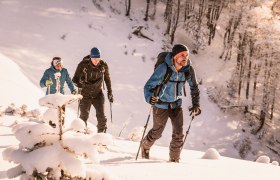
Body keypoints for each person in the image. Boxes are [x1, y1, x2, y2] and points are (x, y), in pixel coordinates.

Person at [142, 44, 201, 162]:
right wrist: (150, 98)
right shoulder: (164, 68)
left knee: (179, 135)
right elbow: (148, 86)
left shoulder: (188, 69)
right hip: (160, 104)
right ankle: (145, 146)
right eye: (182, 55)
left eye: (187, 55)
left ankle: (174, 161)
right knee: (157, 133)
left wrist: (196, 104)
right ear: (174, 57)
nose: (185, 58)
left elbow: (194, 87)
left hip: (176, 105)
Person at [72, 47, 113, 133]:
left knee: (101, 117)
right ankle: (80, 136)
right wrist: (80, 85)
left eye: (98, 59)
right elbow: (75, 80)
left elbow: (107, 79)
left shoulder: (103, 66)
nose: (96, 61)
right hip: (85, 94)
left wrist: (110, 92)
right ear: (90, 57)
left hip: (98, 94)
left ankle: (101, 137)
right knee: (83, 116)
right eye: (94, 59)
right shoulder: (83, 65)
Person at [40, 57, 77, 126]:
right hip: (51, 98)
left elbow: (69, 82)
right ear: (54, 64)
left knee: (61, 115)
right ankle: (51, 131)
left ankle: (61, 130)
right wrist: (46, 83)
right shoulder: (48, 72)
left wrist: (73, 90)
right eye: (57, 65)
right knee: (52, 117)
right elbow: (41, 83)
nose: (59, 66)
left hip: (61, 97)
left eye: (60, 65)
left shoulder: (64, 71)